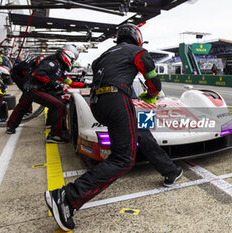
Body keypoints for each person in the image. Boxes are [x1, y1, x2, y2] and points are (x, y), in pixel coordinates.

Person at [44, 23, 183, 232]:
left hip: (97, 104)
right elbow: (155, 85)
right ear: (137, 37)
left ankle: (170, 170)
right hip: (118, 99)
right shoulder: (139, 52)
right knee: (123, 159)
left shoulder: (104, 55)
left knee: (140, 132)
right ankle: (67, 197)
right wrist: (150, 95)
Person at [24, 45, 80, 143]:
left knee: (59, 101)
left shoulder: (58, 68)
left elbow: (70, 82)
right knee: (59, 105)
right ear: (68, 56)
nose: (72, 63)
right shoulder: (53, 63)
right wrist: (55, 85)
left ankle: (52, 126)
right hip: (34, 90)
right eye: (72, 60)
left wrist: (85, 84)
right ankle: (54, 136)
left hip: (37, 89)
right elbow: (39, 74)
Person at [6, 55, 45, 134]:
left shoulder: (42, 63)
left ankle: (28, 110)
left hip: (24, 75)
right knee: (26, 98)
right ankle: (11, 126)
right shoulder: (29, 67)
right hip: (17, 75)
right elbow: (29, 81)